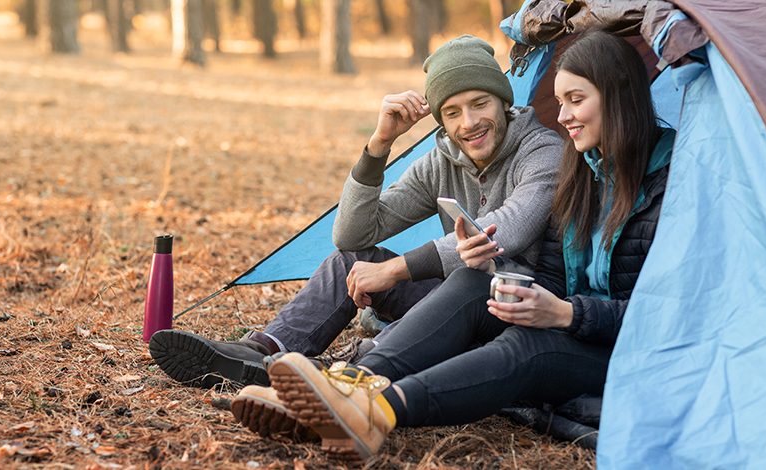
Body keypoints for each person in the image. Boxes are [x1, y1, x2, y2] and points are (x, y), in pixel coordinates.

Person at [232, 30, 677, 459]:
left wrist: (562, 311)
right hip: (554, 317)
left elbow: (670, 314)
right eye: (560, 102)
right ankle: (341, 385)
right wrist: (380, 144)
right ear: (440, 121)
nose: (562, 116)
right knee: (465, 283)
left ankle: (373, 410)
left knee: (522, 346)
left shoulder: (659, 183)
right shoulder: (584, 173)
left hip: (623, 346)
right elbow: (352, 234)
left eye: (575, 101)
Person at [149, 35, 563, 390]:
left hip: (514, 309)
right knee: (353, 260)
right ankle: (261, 352)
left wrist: (396, 269)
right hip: (450, 301)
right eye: (452, 112)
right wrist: (380, 145)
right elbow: (351, 234)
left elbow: (504, 231)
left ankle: (350, 375)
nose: (469, 123)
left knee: (469, 279)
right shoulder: (443, 161)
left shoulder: (542, 150)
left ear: (503, 100)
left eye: (480, 104)